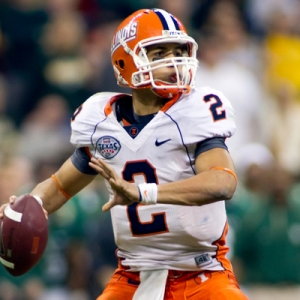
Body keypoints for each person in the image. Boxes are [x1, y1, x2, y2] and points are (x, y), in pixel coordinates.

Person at [0, 8, 248, 300]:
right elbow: (60, 185)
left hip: (201, 274)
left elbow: (223, 182)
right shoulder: (101, 121)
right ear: (124, 62)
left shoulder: (194, 110)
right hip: (132, 276)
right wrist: (31, 204)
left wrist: (144, 193)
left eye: (178, 51)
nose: (174, 62)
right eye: (159, 54)